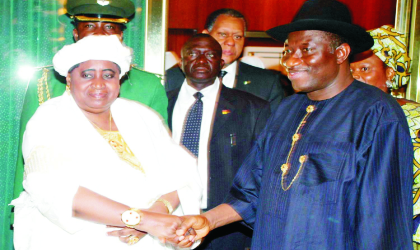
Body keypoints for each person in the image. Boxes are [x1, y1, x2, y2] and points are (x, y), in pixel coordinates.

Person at [174, 0, 413, 249]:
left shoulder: (376, 112)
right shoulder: (286, 110)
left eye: (306, 50)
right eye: (288, 50)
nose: (291, 60)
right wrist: (207, 220)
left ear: (340, 53)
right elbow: (250, 190)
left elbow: (384, 219)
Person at [11, 35, 200, 250]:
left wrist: (156, 213)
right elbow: (51, 189)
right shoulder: (49, 118)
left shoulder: (141, 115)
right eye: (87, 75)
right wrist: (140, 220)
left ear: (119, 79)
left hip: (152, 237)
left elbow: (183, 174)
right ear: (69, 79)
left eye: (108, 75)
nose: (99, 83)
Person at [13, 0, 169, 202]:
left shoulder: (148, 85)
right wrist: (20, 215)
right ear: (76, 34)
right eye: (89, 26)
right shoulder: (44, 83)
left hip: (130, 204)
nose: (100, 34)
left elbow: (161, 159)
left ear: (121, 35)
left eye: (110, 27)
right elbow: (27, 162)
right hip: (56, 204)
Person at [167, 34, 270, 250]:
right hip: (169, 218)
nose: (201, 60)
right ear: (181, 62)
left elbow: (262, 171)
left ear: (221, 63)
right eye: (193, 54)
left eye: (210, 55)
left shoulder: (253, 108)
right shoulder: (161, 103)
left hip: (227, 225)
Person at [349, 25, 420, 247]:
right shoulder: (340, 114)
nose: (356, 77)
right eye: (351, 71)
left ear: (389, 73)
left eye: (365, 69)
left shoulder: (413, 116)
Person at [165, 8, 286, 112]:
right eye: (223, 34)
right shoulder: (173, 79)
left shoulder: (266, 83)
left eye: (238, 37)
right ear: (206, 35)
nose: (231, 42)